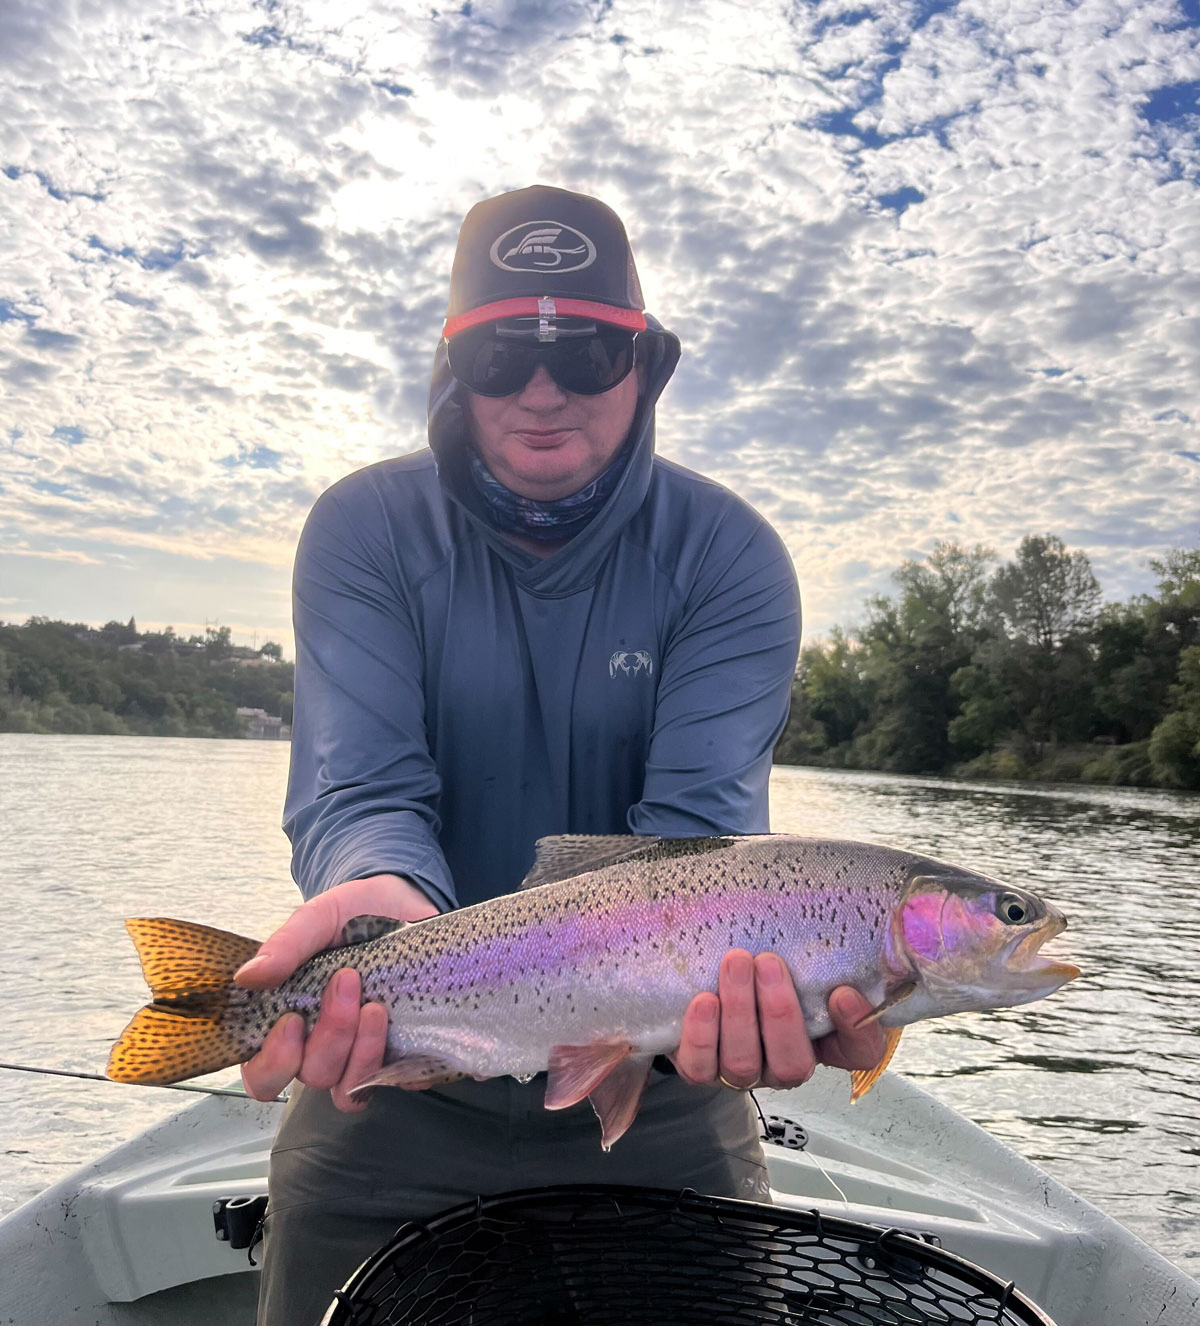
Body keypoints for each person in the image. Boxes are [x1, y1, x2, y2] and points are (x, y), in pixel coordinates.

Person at [237, 185, 885, 1324]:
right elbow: (365, 791)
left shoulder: (729, 557)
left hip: (670, 1092)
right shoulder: (365, 528)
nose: (543, 389)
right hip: (389, 1089)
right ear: (452, 363)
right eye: (501, 355)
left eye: (585, 351)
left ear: (647, 364)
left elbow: (695, 849)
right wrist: (375, 904)